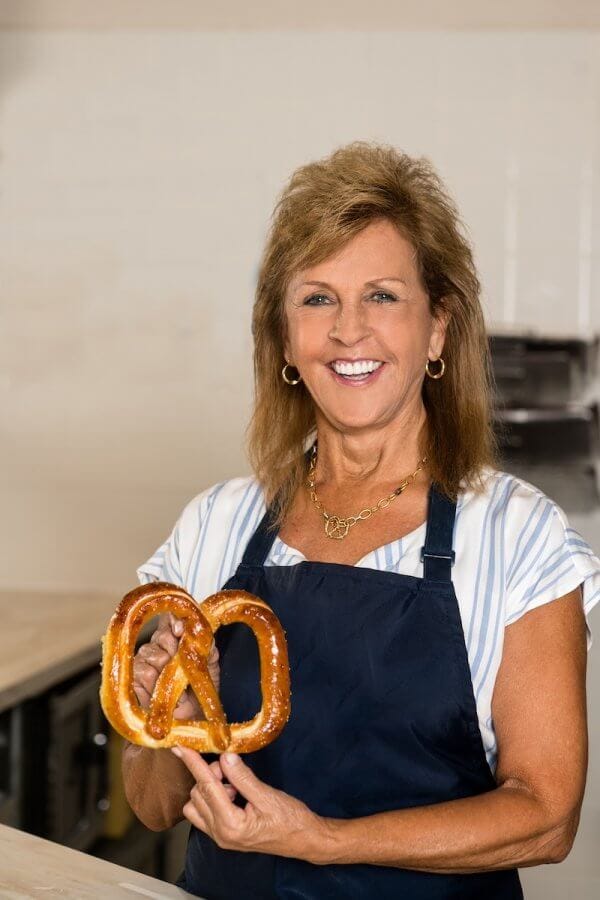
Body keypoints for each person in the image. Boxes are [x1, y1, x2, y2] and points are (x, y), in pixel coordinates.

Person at [121, 142, 600, 899]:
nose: (349, 330)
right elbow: (152, 806)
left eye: (381, 295)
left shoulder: (518, 536)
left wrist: (324, 842)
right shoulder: (215, 524)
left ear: (437, 328)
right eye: (317, 299)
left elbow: (545, 816)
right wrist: (173, 714)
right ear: (285, 338)